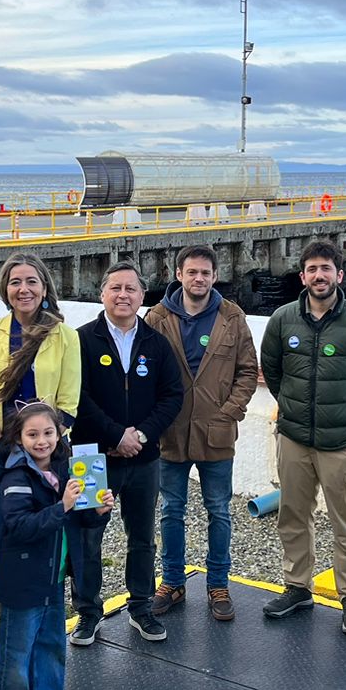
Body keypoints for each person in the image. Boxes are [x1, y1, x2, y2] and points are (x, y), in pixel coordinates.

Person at [258, 241, 346, 634]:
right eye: (312, 269)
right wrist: (293, 409)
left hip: (342, 444)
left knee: (345, 522)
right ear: (302, 276)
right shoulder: (283, 319)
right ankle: (297, 587)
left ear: (339, 275)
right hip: (295, 439)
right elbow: (273, 369)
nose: (319, 276)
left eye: (326, 269)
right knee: (293, 516)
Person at [71, 262, 185, 644]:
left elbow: (172, 395)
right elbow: (76, 397)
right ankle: (88, 612)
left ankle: (140, 607)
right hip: (91, 456)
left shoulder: (156, 343)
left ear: (142, 296)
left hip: (144, 456)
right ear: (102, 294)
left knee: (142, 537)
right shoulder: (82, 339)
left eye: (131, 289)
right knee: (88, 537)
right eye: (115, 288)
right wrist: (115, 434)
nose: (123, 295)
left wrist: (141, 434)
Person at [143, 244, 258, 621]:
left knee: (219, 511)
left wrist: (230, 413)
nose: (198, 279)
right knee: (171, 510)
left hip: (217, 432)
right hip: (170, 431)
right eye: (191, 272)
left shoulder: (232, 316)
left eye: (205, 273)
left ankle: (218, 584)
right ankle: (172, 581)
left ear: (214, 276)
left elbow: (247, 371)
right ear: (179, 275)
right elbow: (144, 370)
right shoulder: (156, 318)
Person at [0, 402, 114, 690]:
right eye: (32, 434)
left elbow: (79, 520)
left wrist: (99, 510)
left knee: (51, 648)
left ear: (59, 433)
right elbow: (19, 526)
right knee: (16, 656)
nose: (42, 441)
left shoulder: (65, 469)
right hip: (23, 583)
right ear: (18, 437)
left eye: (48, 432)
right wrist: (62, 505)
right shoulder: (15, 477)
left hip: (54, 580)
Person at [0, 253, 81, 554]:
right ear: (5, 290)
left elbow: (69, 404)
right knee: (3, 528)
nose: (24, 289)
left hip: (48, 450)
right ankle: (11, 597)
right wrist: (3, 448)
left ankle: (46, 596)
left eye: (32, 281)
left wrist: (41, 445)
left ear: (44, 288)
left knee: (48, 526)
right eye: (15, 282)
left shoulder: (65, 337)